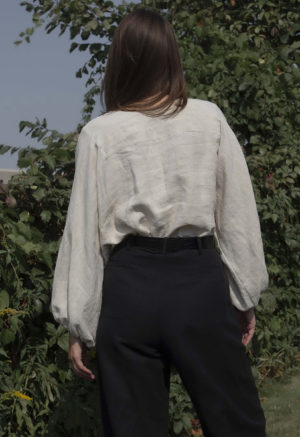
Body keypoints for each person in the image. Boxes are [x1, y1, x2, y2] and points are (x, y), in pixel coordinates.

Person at [51, 7, 269, 437]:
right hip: (199, 284)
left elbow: (84, 234)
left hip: (129, 289)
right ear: (170, 56)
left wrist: (79, 323)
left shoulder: (100, 133)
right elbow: (236, 214)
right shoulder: (210, 119)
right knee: (237, 424)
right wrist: (245, 293)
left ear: (121, 60)